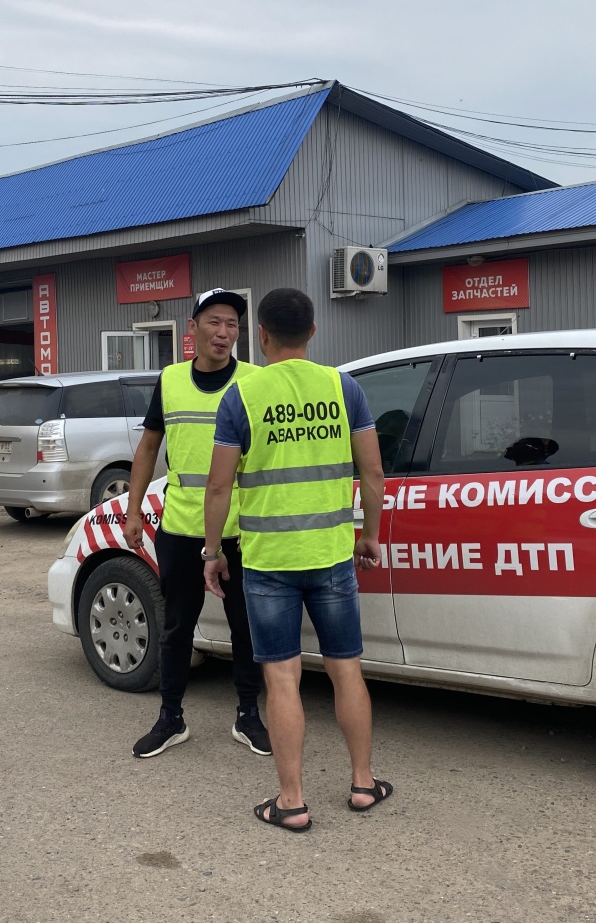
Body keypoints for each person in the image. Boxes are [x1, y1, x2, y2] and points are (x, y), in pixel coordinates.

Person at [202, 287, 390, 832]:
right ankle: (362, 784)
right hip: (332, 554)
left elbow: (218, 487)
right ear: (312, 333)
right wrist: (370, 534)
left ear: (260, 335)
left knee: (282, 679)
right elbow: (373, 473)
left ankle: (291, 801)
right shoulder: (343, 388)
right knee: (345, 670)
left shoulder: (240, 396)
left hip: (268, 561)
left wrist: (212, 552)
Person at [124, 288, 270, 760]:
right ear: (192, 328)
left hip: (242, 531)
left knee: (246, 628)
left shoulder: (255, 380)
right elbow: (148, 449)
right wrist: (132, 510)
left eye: (232, 324)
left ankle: (249, 715)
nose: (224, 332)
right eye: (214, 322)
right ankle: (171, 718)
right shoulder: (169, 380)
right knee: (176, 629)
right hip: (181, 528)